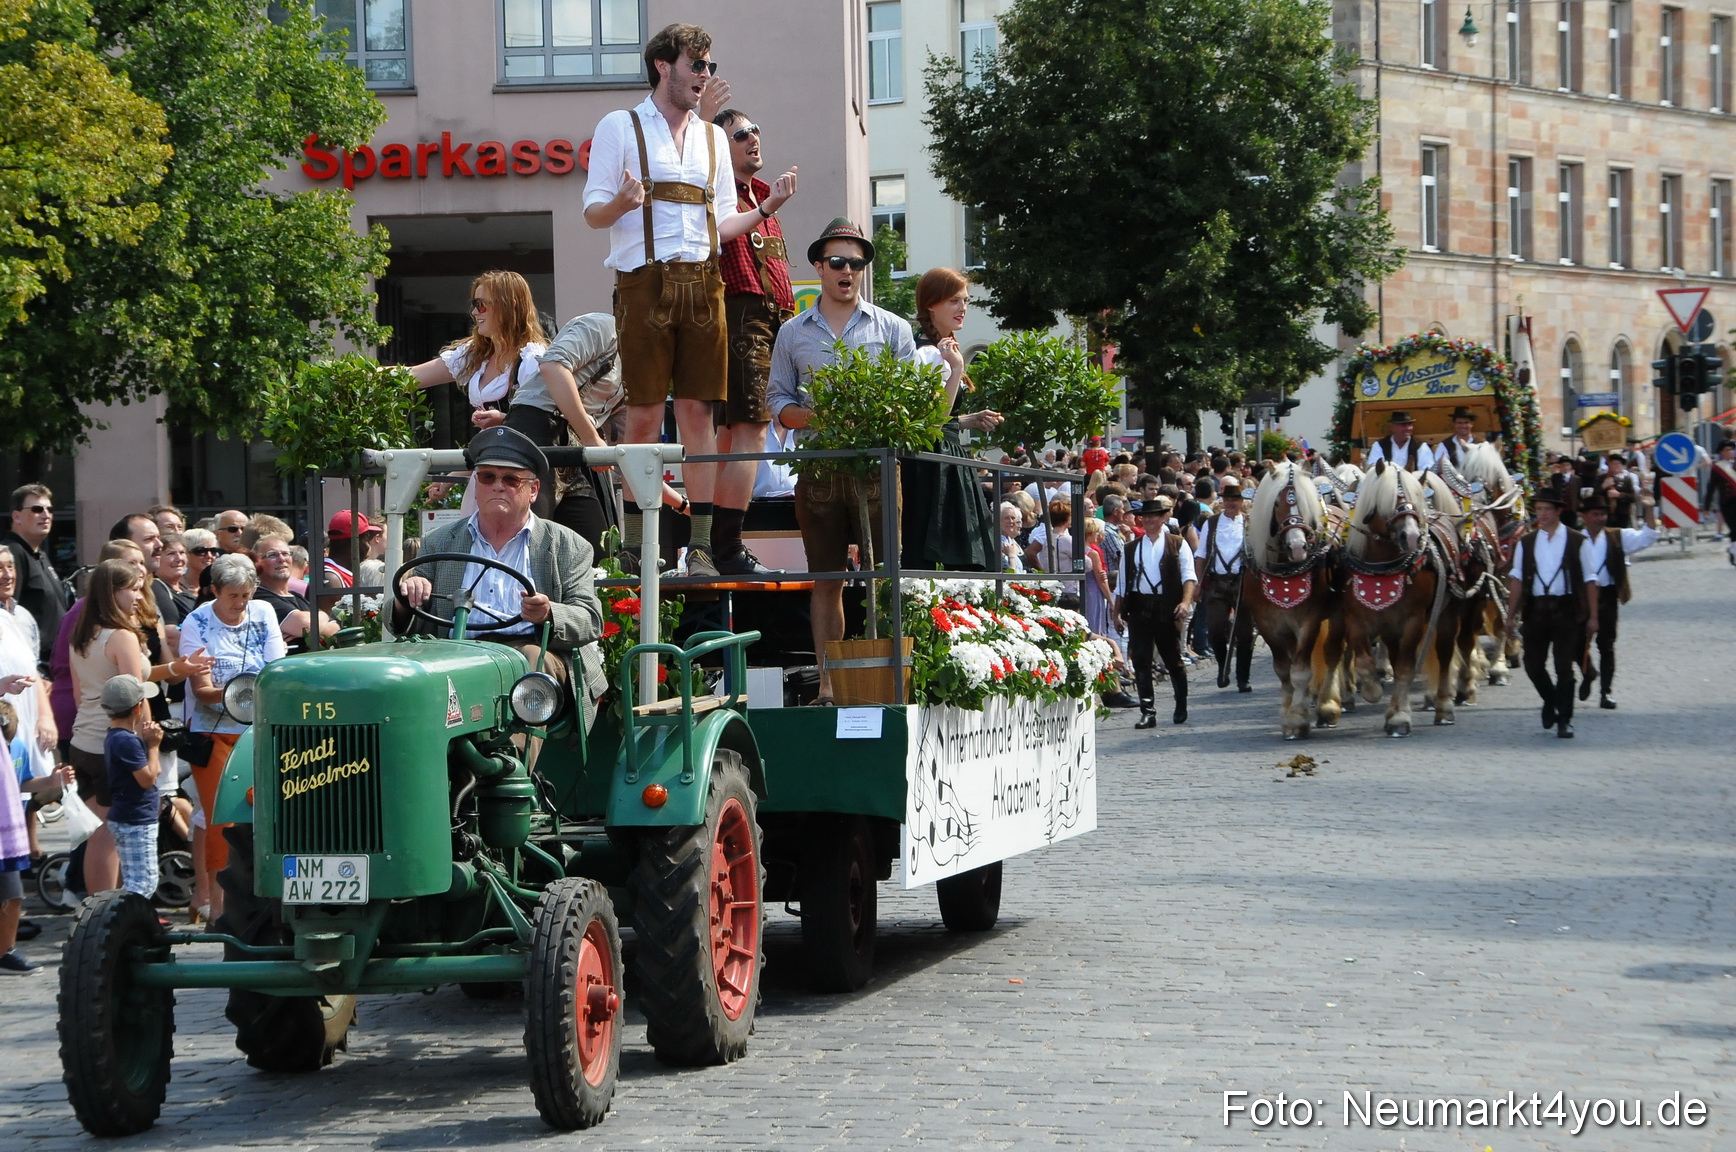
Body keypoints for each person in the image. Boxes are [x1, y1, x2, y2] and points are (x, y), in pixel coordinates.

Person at [583, 23, 798, 578]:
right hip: (642, 282)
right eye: (696, 65)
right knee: (644, 414)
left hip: (704, 284)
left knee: (698, 412)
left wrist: (766, 208)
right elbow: (592, 211)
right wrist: (622, 205)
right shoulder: (620, 126)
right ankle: (636, 544)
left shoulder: (710, 139)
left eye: (709, 65)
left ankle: (700, 545)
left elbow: (723, 222)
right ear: (663, 66)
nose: (706, 75)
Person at [767, 218, 915, 703]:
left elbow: (911, 398)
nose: (847, 270)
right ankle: (830, 686)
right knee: (827, 579)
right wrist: (816, 416)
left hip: (876, 463)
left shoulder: (892, 327)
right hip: (820, 466)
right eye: (837, 262)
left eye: (856, 262)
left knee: (885, 577)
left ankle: (889, 680)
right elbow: (777, 403)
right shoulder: (792, 332)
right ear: (819, 267)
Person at [398, 428, 608, 736]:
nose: (498, 486)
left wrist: (549, 613)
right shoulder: (441, 542)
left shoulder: (567, 545)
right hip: (461, 652)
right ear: (476, 486)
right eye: (487, 477)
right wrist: (409, 596)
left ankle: (513, 774)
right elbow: (404, 616)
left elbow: (590, 620)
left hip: (533, 650)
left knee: (530, 662)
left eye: (511, 480)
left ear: (533, 490)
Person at [70, 560, 209, 895]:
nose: (139, 596)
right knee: (108, 834)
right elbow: (137, 693)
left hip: (84, 740)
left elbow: (87, 691)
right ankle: (104, 914)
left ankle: (101, 911)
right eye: (132, 588)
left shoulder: (84, 635)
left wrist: (176, 667)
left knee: (100, 831)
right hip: (117, 744)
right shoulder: (121, 636)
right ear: (111, 592)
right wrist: (148, 742)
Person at [711, 107, 799, 574]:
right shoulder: (723, 196)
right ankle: (724, 547)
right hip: (742, 314)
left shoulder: (761, 195)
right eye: (741, 133)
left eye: (756, 129)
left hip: (771, 318)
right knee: (749, 430)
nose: (753, 138)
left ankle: (711, 545)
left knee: (732, 435)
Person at [180, 554, 284, 918]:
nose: (241, 603)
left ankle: (268, 898)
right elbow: (201, 688)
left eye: (246, 594)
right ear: (214, 591)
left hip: (260, 728)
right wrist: (239, 692)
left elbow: (276, 666)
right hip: (214, 732)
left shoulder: (263, 612)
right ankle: (216, 906)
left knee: (270, 812)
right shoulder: (196, 623)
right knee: (221, 819)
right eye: (233, 596)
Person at [901, 268, 1002, 569]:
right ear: (931, 304)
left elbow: (942, 420)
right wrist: (956, 370)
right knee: (944, 551)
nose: (963, 309)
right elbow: (932, 422)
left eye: (965, 301)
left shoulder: (939, 350)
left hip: (944, 456)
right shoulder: (926, 354)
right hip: (932, 462)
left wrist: (968, 420)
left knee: (961, 551)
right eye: (953, 301)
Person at [1504, 482, 1598, 740]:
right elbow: (1518, 580)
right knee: (1532, 665)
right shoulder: (1526, 542)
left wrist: (1593, 617)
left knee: (1564, 666)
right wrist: (1510, 616)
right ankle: (1551, 700)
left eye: (1547, 509)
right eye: (1539, 509)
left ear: (1558, 511)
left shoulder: (1578, 541)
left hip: (1566, 609)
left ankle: (1565, 720)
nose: (1542, 514)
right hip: (1536, 610)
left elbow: (1590, 580)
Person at [1117, 497, 1196, 730]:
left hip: (1167, 606)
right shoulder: (1130, 547)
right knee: (1141, 659)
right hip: (1140, 607)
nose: (1150, 520)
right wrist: (1116, 613)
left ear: (1163, 518)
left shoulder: (1177, 543)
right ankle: (1148, 711)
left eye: (1155, 516)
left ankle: (1180, 703)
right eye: (1146, 516)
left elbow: (1189, 576)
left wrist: (1185, 602)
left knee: (1173, 660)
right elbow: (1122, 584)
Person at [1575, 491, 1657, 710]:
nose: (1600, 518)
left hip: (1608, 596)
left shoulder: (1618, 536)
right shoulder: (1574, 540)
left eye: (1603, 514)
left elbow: (1648, 537)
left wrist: (1649, 508)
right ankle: (1588, 672)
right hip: (1581, 599)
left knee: (1606, 645)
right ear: (1585, 516)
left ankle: (1606, 692)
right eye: (1595, 514)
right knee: (1577, 644)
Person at [100, 674, 163, 899]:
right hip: (136, 820)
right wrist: (154, 746)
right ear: (138, 708)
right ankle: (126, 924)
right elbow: (147, 779)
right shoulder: (128, 741)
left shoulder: (115, 737)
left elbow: (153, 772)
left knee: (134, 879)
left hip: (127, 816)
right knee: (143, 883)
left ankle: (127, 922)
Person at [1195, 479, 1254, 692]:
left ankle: (1242, 678)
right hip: (1217, 583)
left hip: (1241, 583)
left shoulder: (1249, 524)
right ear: (1222, 501)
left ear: (1241, 502)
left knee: (1245, 633)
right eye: (1227, 499)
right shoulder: (1211, 523)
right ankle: (1223, 666)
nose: (1231, 503)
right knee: (1215, 629)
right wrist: (1198, 584)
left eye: (1235, 500)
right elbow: (1201, 555)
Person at [2, 484, 67, 675]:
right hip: (35, 671)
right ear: (16, 516)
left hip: (56, 667)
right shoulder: (12, 554)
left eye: (49, 509)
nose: (45, 515)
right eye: (37, 509)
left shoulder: (40, 555)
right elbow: (8, 614)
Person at [252, 534, 338, 652]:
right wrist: (322, 622)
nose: (282, 559)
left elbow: (336, 630)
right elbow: (306, 624)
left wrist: (316, 625)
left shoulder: (296, 596)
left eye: (286, 554)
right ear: (257, 563)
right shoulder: (260, 597)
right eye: (272, 555)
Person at [1365, 411, 1433, 472]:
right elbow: (1374, 469)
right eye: (1403, 425)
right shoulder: (1380, 446)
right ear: (1392, 428)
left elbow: (1426, 471)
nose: (1408, 428)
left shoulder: (1420, 446)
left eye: (1409, 425)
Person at [1431, 405, 1483, 470]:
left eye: (1466, 423)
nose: (1463, 426)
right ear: (1454, 424)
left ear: (1472, 424)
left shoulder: (1481, 444)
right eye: (1459, 423)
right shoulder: (1445, 445)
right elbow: (1440, 467)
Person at [1710, 439, 1736, 563]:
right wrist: (1706, 506)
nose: (1730, 452)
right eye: (1727, 449)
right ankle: (1734, 548)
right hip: (1727, 502)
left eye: (1732, 449)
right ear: (1721, 452)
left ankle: (1733, 549)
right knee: (1734, 527)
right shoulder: (1717, 467)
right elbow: (1711, 487)